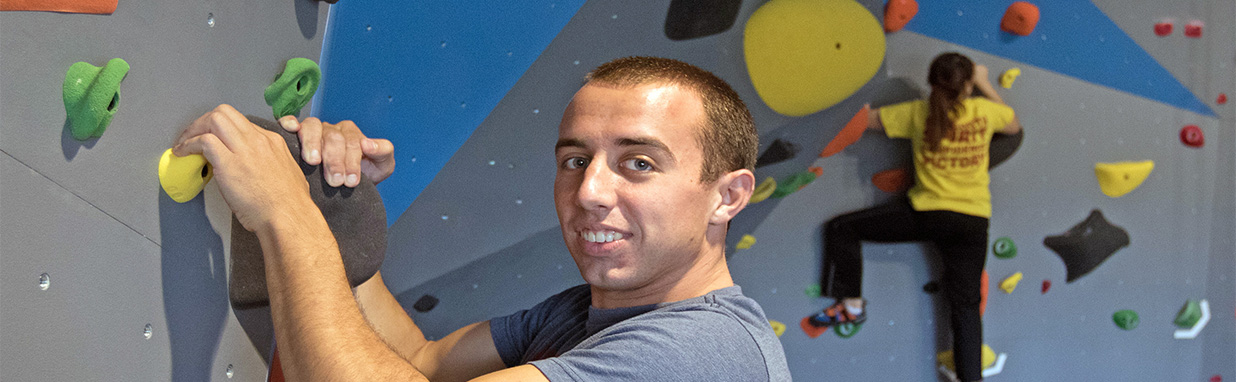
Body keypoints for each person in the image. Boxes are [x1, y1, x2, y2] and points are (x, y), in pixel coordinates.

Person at [173, 56, 790, 381]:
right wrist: (338, 205)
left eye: (639, 163)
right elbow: (420, 363)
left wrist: (285, 212)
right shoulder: (589, 311)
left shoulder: (705, 354)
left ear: (728, 196)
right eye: (576, 159)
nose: (591, 191)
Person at [804, 52, 1021, 382]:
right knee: (966, 306)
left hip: (928, 213)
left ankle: (851, 305)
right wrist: (983, 83)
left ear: (932, 84)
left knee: (842, 229)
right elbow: (1014, 126)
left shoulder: (918, 113)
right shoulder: (985, 111)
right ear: (966, 85)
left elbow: (865, 120)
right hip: (972, 221)